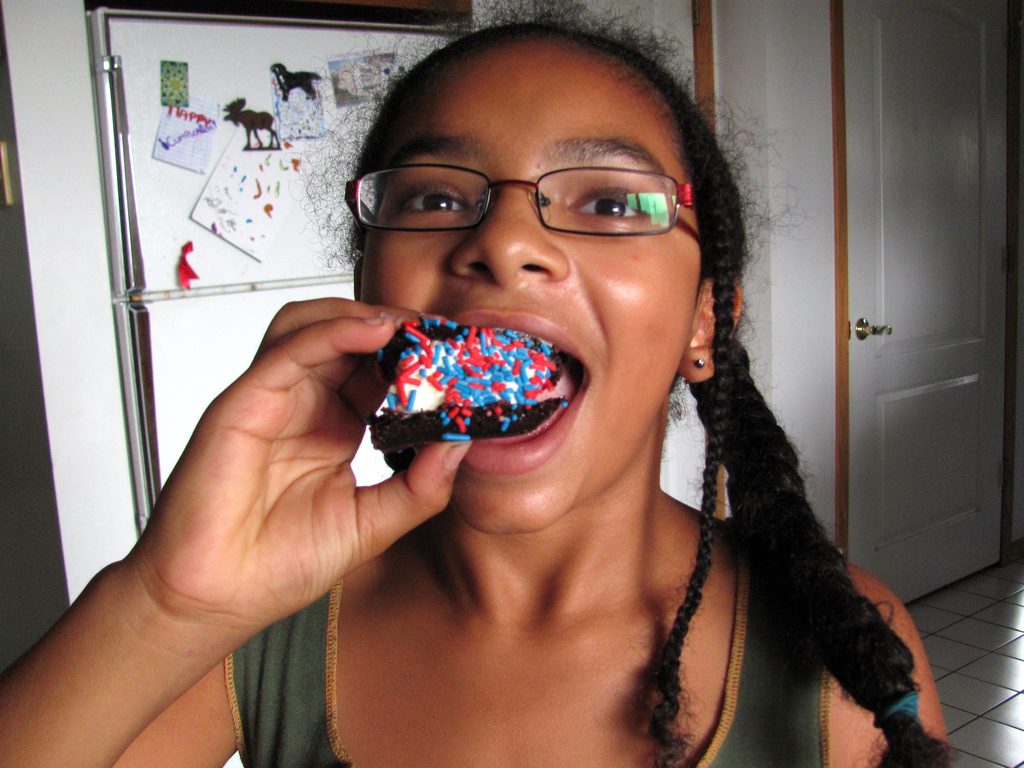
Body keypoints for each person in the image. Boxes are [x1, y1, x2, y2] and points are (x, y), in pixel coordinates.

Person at [0, 6, 949, 767]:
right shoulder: (252, 630)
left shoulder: (845, 656)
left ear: (704, 322)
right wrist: (166, 605)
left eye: (612, 202)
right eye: (434, 197)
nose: (503, 241)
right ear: (371, 286)